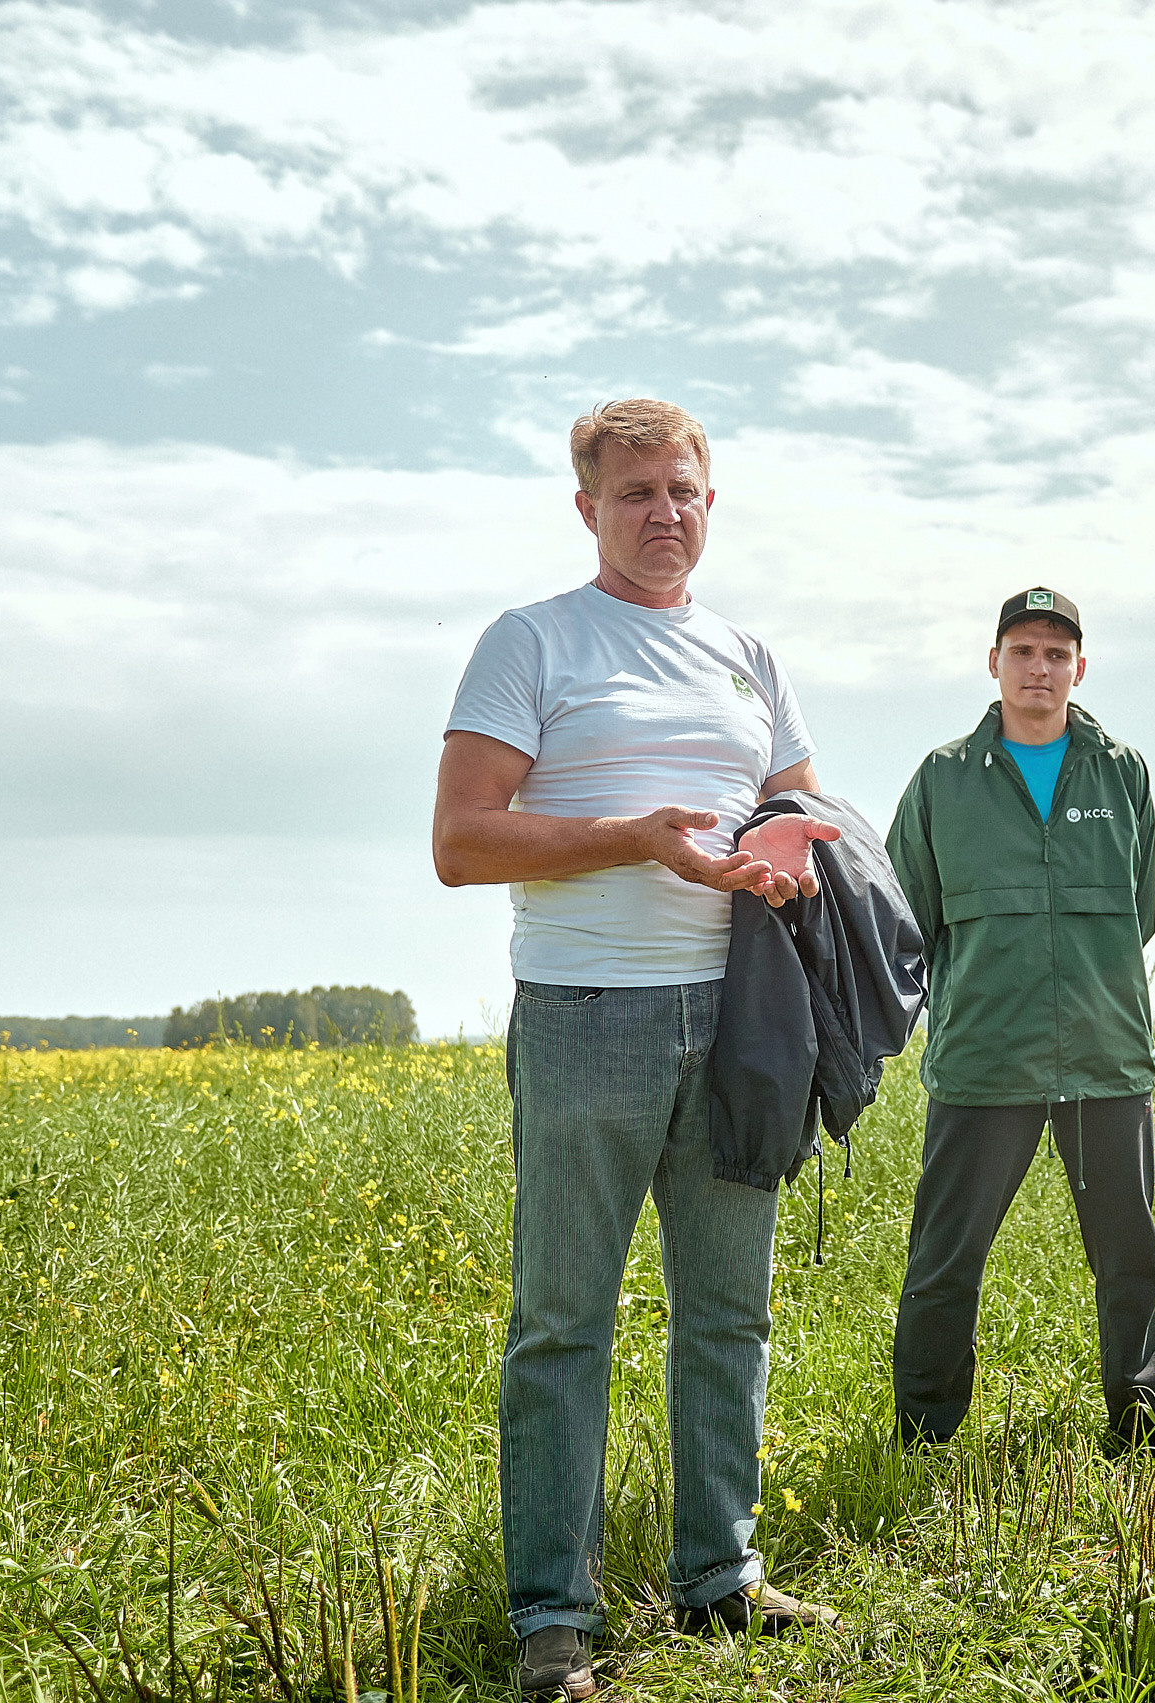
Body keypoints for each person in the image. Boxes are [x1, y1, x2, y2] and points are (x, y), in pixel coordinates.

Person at [433, 399, 843, 1700]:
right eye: (635, 494)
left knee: (730, 1310)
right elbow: (460, 840)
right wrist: (640, 837)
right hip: (585, 1015)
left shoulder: (748, 653)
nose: (664, 512)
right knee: (564, 1322)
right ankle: (554, 1620)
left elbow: (799, 807)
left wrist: (784, 861)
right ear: (587, 508)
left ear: (713, 502)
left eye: (684, 489)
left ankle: (719, 1577)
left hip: (734, 1022)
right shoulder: (532, 640)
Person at [886, 588, 1155, 1450]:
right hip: (983, 1060)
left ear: (1079, 667)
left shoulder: (1122, 772)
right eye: (1022, 650)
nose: (1039, 667)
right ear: (994, 661)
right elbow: (906, 916)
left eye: (1056, 653)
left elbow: (1140, 910)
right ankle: (925, 1437)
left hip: (1104, 1060)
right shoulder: (942, 779)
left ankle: (1140, 1430)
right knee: (944, 1262)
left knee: (1130, 1263)